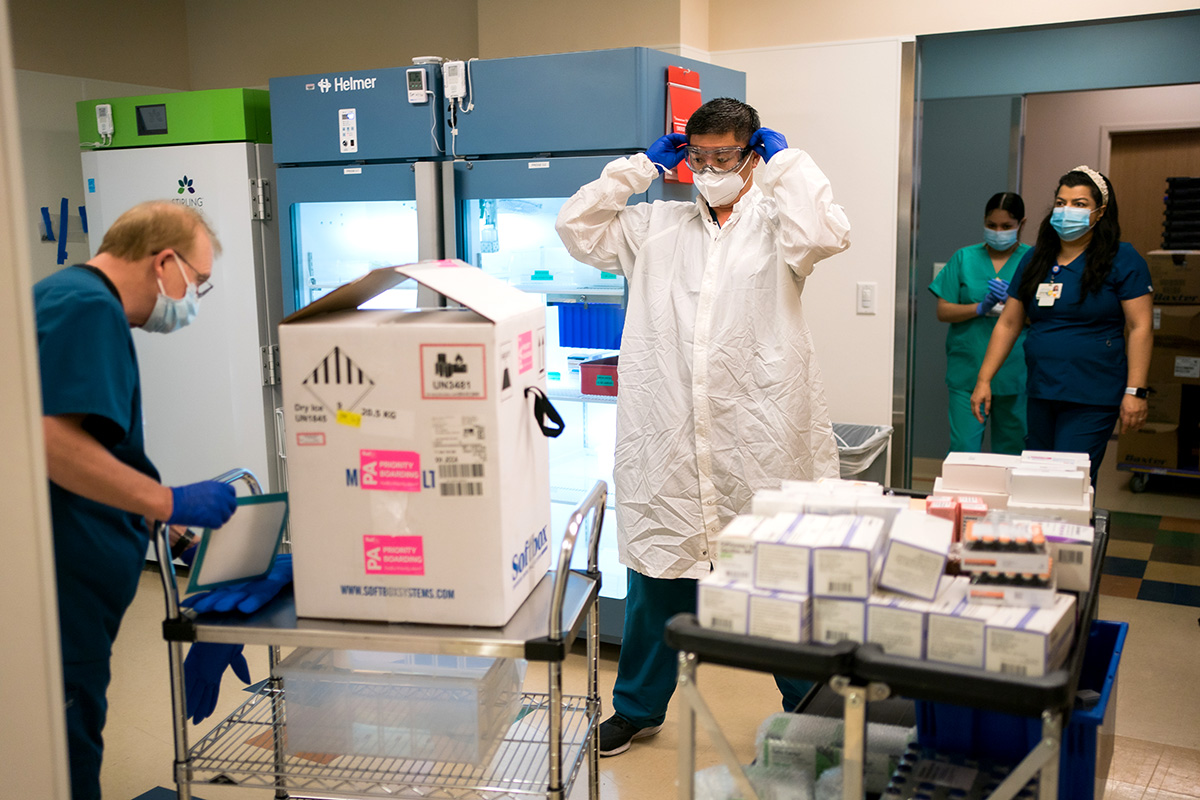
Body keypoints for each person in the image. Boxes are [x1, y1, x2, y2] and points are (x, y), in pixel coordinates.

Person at [556, 98, 850, 756]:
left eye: (726, 155)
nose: (711, 167)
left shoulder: (779, 224)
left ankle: (810, 711)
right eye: (699, 155)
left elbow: (826, 233)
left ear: (752, 156)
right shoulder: (653, 226)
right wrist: (634, 170)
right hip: (670, 438)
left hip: (759, 439)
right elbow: (575, 227)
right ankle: (637, 708)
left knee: (779, 583)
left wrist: (787, 162)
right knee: (658, 580)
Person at [34, 200, 239, 799]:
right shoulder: (87, 309)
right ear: (165, 262)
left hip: (73, 576)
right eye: (198, 282)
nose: (195, 298)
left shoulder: (66, 295)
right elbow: (51, 443)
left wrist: (160, 525)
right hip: (63, 586)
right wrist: (168, 499)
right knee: (65, 748)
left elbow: (95, 449)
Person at [969, 166, 1153, 486]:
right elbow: (1009, 323)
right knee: (1038, 480)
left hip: (1093, 394)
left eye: (1080, 204)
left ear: (1100, 212)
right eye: (1061, 202)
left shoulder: (1121, 258)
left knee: (1067, 482)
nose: (1068, 210)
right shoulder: (1037, 259)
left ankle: (1073, 536)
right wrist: (984, 379)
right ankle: (1046, 536)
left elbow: (1140, 327)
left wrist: (1135, 391)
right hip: (1043, 389)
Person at [929, 192, 1031, 454]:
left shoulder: (1033, 261)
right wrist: (979, 307)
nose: (998, 232)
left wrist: (1014, 306)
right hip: (968, 372)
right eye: (991, 225)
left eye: (1006, 227)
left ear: (1022, 224)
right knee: (964, 449)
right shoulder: (964, 258)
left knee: (1012, 452)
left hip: (1015, 373)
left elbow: (1047, 316)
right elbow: (943, 310)